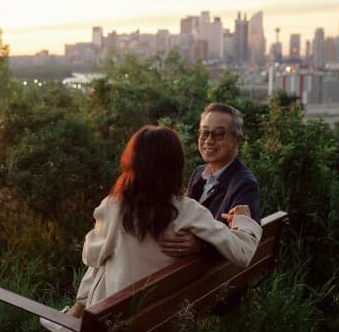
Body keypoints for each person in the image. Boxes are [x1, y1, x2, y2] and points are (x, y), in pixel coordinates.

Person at [63, 125, 262, 320]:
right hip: (162, 319)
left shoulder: (113, 206)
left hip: (113, 321)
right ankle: (76, 312)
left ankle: (76, 313)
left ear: (132, 163)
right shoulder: (189, 211)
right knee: (111, 253)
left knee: (106, 257)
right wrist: (243, 220)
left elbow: (90, 257)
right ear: (175, 165)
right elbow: (243, 252)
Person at [159, 103, 260, 257]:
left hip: (214, 276)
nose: (208, 140)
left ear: (237, 140)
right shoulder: (199, 173)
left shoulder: (244, 184)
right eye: (204, 133)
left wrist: (203, 246)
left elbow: (242, 243)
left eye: (218, 134)